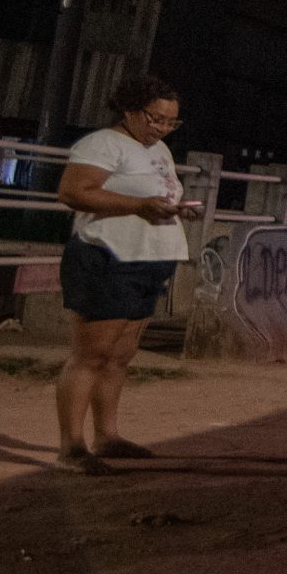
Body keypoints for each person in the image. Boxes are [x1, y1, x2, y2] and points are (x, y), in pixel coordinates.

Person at [53, 74, 191, 472]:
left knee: (120, 356)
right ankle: (72, 448)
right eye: (155, 118)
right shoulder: (103, 143)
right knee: (90, 356)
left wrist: (174, 208)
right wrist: (138, 205)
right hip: (107, 257)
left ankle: (107, 436)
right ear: (130, 111)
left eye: (171, 122)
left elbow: (152, 195)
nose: (162, 128)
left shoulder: (158, 148)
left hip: (147, 258)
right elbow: (75, 192)